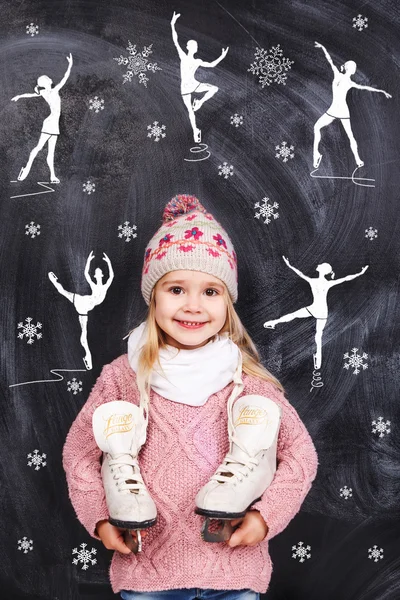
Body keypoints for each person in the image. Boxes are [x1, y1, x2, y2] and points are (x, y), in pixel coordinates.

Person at [63, 194, 318, 599]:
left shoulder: (246, 381)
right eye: (177, 288)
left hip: (233, 574)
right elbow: (79, 455)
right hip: (148, 575)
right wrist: (99, 519)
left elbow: (301, 456)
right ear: (154, 296)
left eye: (211, 292)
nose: (193, 306)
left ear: (228, 302)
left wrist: (268, 517)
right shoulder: (122, 377)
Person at [264, 256, 368, 370]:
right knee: (318, 334)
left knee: (300, 320)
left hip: (317, 309)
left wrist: (289, 265)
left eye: (320, 266)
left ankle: (274, 323)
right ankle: (318, 357)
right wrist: (360, 272)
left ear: (322, 270)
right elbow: (346, 278)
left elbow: (345, 278)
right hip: (320, 310)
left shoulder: (316, 281)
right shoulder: (325, 283)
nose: (317, 266)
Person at [313, 42, 391, 169]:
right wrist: (323, 48)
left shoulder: (343, 78)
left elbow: (366, 87)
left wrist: (323, 48)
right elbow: (330, 61)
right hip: (339, 109)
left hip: (337, 109)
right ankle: (357, 160)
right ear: (351, 69)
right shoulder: (346, 80)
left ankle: (318, 154)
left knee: (319, 128)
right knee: (348, 135)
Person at [11, 53, 73, 183]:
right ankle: (27, 169)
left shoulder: (44, 92)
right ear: (48, 82)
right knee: (40, 147)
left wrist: (19, 96)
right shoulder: (54, 90)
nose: (51, 78)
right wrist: (70, 64)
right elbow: (65, 78)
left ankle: (52, 176)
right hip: (50, 123)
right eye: (49, 78)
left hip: (53, 123)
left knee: (50, 151)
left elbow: (31, 94)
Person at [48, 251, 114, 370]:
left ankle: (87, 356)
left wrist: (108, 262)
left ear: (102, 275)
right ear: (95, 276)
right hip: (82, 301)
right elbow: (86, 274)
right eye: (96, 273)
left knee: (84, 333)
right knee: (64, 293)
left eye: (99, 273)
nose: (98, 274)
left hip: (85, 305)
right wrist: (88, 260)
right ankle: (55, 282)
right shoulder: (94, 285)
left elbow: (111, 277)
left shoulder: (104, 286)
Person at [171, 12, 229, 143]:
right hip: (188, 86)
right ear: (189, 47)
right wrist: (172, 23)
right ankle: (195, 129)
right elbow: (175, 40)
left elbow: (211, 64)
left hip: (189, 85)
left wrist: (222, 56)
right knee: (192, 109)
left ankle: (197, 118)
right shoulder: (184, 56)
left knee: (212, 90)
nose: (195, 47)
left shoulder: (196, 60)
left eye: (196, 46)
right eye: (194, 46)